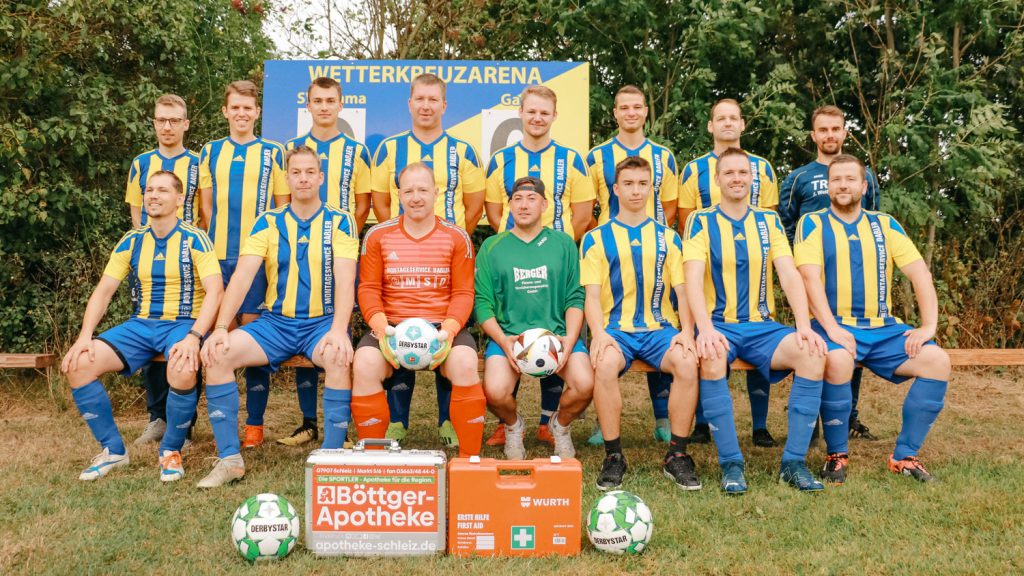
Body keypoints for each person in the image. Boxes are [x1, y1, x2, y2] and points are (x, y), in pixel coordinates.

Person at [683, 147, 843, 494]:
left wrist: (803, 324)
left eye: (743, 172)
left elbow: (787, 273)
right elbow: (692, 277)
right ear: (717, 179)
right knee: (710, 359)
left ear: (751, 179)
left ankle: (794, 463)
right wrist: (705, 328)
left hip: (762, 327)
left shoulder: (767, 221)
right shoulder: (701, 220)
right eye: (729, 173)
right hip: (718, 323)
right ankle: (731, 465)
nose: (737, 178)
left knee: (813, 353)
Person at [200, 145, 359, 488]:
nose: (303, 179)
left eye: (309, 172)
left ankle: (329, 462)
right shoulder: (268, 221)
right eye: (296, 173)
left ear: (321, 177)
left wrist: (339, 330)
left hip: (321, 322)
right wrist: (222, 327)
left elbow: (346, 280)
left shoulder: (339, 220)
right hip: (275, 324)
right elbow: (242, 278)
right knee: (216, 355)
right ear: (286, 178)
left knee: (338, 357)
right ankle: (230, 459)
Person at [794, 154, 950, 483]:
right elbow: (809, 279)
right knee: (837, 362)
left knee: (937, 361)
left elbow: (920, 274)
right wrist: (834, 330)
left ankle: (905, 457)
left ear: (864, 186)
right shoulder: (813, 223)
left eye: (850, 179)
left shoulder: (884, 224)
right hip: (833, 324)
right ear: (829, 187)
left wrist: (929, 326)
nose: (843, 185)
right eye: (836, 180)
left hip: (883, 329)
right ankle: (837, 454)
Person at [61, 171, 222, 482]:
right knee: (79, 364)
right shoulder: (132, 240)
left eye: (162, 190)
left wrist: (194, 337)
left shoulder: (195, 238)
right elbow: (104, 290)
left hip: (183, 323)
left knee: (182, 366)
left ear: (179, 199)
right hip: (141, 324)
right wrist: (84, 337)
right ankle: (113, 451)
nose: (153, 195)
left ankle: (171, 451)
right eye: (149, 190)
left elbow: (216, 291)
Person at [371, 73, 486, 447]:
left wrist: (446, 237)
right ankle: (397, 422)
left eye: (433, 99)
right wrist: (406, 236)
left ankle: (447, 421)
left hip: (445, 257)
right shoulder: (389, 148)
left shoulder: (463, 151)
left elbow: (474, 203)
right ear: (409, 104)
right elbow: (380, 202)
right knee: (405, 329)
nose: (425, 105)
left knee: (443, 333)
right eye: (419, 99)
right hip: (402, 256)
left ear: (444, 105)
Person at [484, 85, 596, 446]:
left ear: (554, 116)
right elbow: (493, 210)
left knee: (553, 336)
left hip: (553, 257)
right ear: (521, 112)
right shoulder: (501, 159)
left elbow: (581, 215)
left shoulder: (572, 160)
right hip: (511, 259)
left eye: (544, 112)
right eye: (531, 111)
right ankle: (509, 422)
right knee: (514, 334)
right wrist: (519, 242)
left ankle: (551, 422)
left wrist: (549, 243)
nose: (537, 117)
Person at [582, 156, 701, 491]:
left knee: (688, 363)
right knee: (603, 365)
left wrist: (687, 333)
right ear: (615, 189)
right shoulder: (596, 238)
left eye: (642, 184)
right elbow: (591, 296)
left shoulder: (669, 237)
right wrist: (599, 334)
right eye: (629, 184)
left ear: (652, 188)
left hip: (661, 330)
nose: (636, 191)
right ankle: (614, 456)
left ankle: (677, 455)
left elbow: (683, 291)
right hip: (616, 330)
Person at [353, 162, 486, 457]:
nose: (416, 197)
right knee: (364, 364)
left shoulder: (457, 236)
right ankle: (373, 455)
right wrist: (380, 326)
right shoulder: (378, 235)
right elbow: (368, 289)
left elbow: (464, 292)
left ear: (436, 193)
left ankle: (469, 458)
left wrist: (450, 330)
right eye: (409, 190)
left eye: (423, 190)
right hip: (390, 327)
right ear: (398, 194)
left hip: (441, 327)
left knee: (465, 362)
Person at [678, 98, 780, 448]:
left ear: (742, 124)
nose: (726, 123)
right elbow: (684, 218)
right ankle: (705, 423)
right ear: (711, 126)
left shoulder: (762, 167)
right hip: (709, 263)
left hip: (753, 274)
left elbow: (765, 223)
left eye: (733, 118)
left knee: (760, 339)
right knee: (710, 346)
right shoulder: (693, 170)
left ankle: (760, 425)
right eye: (719, 117)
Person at [279, 77, 372, 447]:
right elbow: (279, 199)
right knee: (302, 320)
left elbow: (362, 202)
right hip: (299, 250)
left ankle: (340, 426)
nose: (323, 106)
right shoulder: (289, 150)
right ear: (308, 105)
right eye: (317, 100)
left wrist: (340, 241)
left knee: (336, 331)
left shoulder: (356, 150)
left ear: (340, 105)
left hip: (338, 251)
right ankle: (307, 423)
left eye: (330, 100)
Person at [780, 104, 882, 441]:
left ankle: (848, 417)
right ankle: (809, 424)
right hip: (812, 277)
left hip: (852, 275)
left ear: (844, 133)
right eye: (823, 130)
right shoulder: (798, 178)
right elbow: (785, 223)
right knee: (812, 342)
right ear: (814, 135)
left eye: (835, 129)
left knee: (851, 340)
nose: (829, 135)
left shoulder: (862, 175)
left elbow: (873, 221)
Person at [585, 84, 680, 445]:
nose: (631, 113)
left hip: (654, 251)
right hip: (611, 252)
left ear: (645, 112)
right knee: (610, 327)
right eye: (623, 107)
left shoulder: (663, 156)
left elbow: (669, 208)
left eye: (637, 107)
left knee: (657, 316)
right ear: (615, 113)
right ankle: (602, 422)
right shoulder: (597, 155)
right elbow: (589, 204)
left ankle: (662, 418)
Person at [198, 80, 289, 449]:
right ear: (225, 111)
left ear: (257, 112)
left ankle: (254, 424)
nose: (241, 113)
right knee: (216, 338)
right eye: (234, 107)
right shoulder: (210, 151)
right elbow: (206, 207)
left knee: (252, 340)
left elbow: (281, 205)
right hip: (218, 257)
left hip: (258, 260)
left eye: (247, 108)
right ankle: (222, 421)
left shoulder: (273, 151)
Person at [476, 176, 594, 460]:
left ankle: (559, 426)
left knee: (585, 385)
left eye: (531, 199)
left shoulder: (564, 244)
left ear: (544, 205)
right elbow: (482, 304)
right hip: (511, 337)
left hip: (556, 336)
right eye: (518, 199)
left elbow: (575, 298)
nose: (524, 205)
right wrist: (503, 340)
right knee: (494, 392)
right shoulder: (492, 247)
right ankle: (514, 426)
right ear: (509, 207)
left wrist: (569, 338)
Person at [123, 94, 202, 447]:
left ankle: (184, 425)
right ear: (154, 123)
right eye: (161, 120)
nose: (167, 126)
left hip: (189, 263)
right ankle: (156, 417)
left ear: (186, 123)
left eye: (174, 120)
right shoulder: (141, 163)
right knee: (149, 334)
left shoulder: (201, 163)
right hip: (150, 263)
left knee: (184, 343)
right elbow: (138, 214)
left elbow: (208, 213)